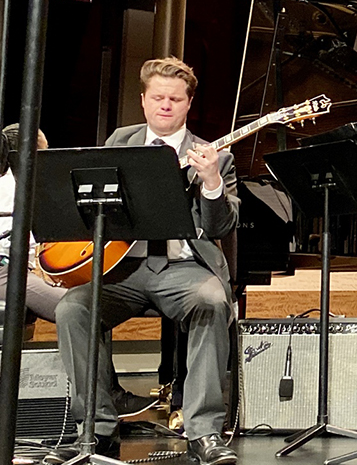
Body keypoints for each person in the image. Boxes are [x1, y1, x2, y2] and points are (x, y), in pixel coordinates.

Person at [47, 58, 239, 465]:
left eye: (175, 99)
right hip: (123, 269)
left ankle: (203, 430)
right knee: (73, 308)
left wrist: (210, 183)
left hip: (182, 268)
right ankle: (94, 430)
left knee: (212, 300)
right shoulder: (121, 140)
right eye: (158, 98)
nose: (165, 105)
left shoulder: (216, 156)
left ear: (188, 104)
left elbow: (221, 227)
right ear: (143, 100)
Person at [0, 124, 155, 418]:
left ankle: (106, 397)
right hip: (7, 273)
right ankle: (108, 398)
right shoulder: (15, 187)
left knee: (89, 301)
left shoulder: (17, 183)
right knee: (81, 308)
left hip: (17, 270)